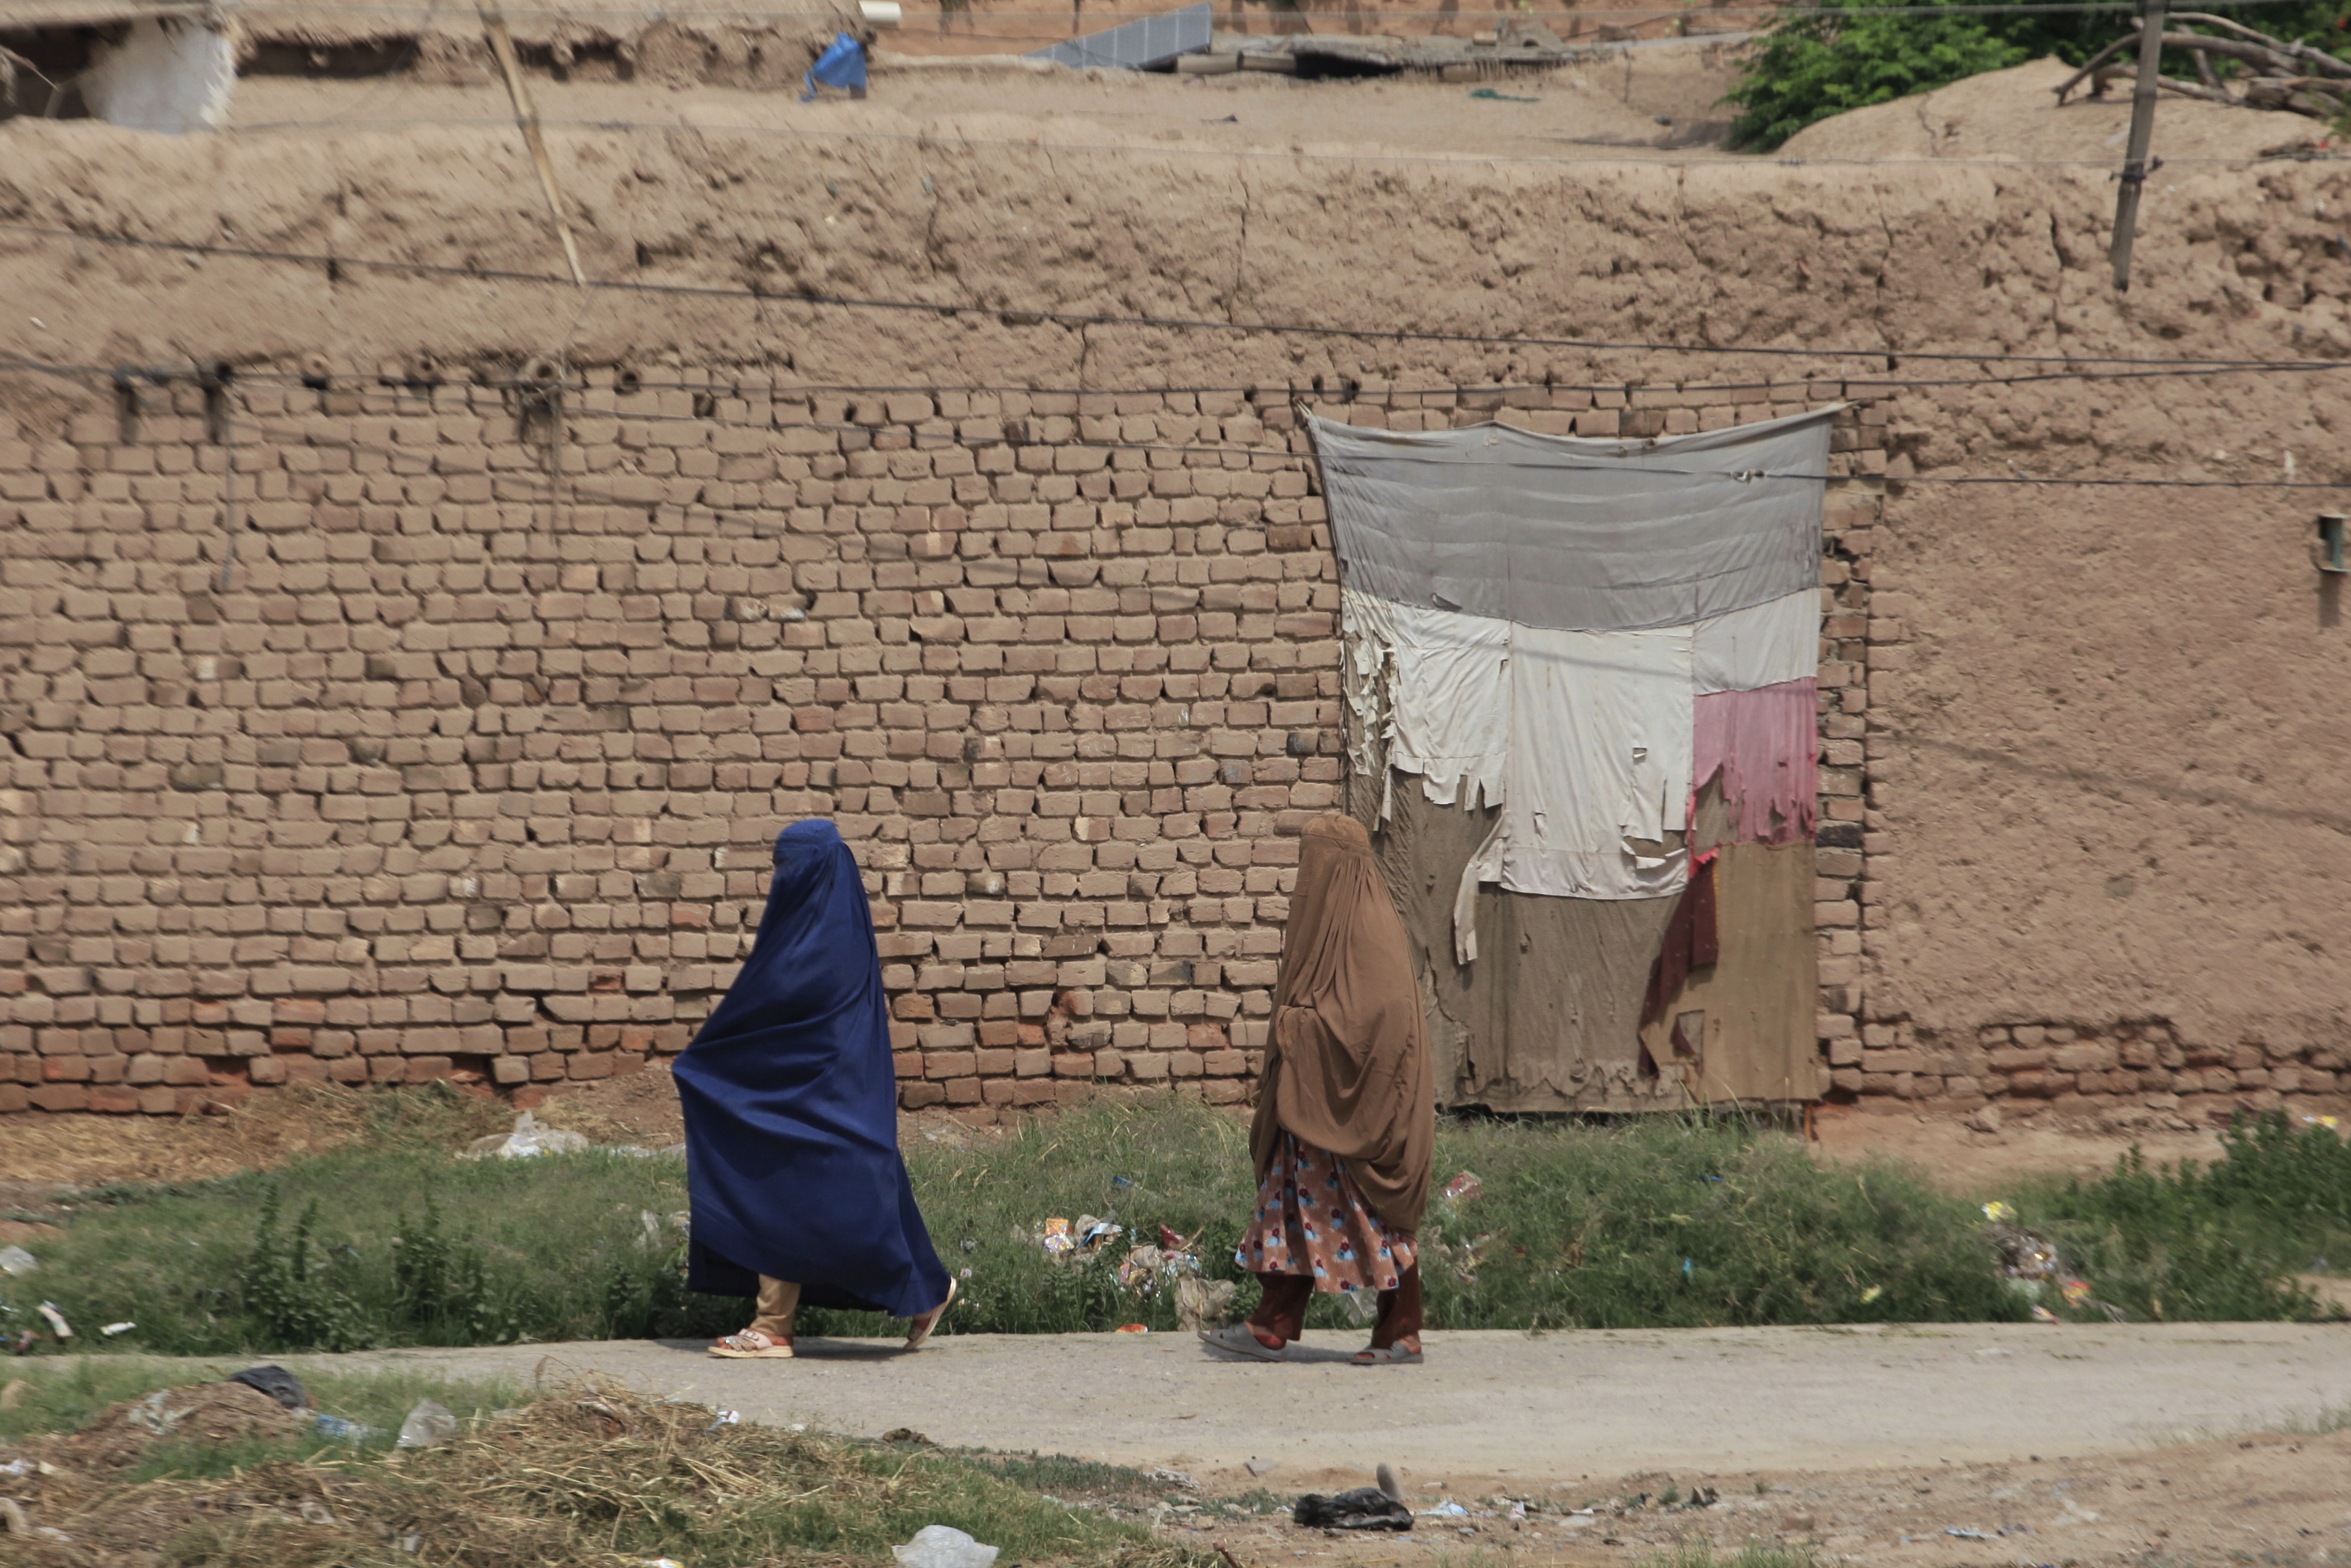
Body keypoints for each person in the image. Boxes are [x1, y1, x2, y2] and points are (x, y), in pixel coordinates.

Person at [673, 818, 954, 1360]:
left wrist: (708, 1064)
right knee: (835, 1176)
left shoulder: (817, 939)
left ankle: (775, 1325)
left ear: (817, 870)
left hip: (818, 1085)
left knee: (798, 1180)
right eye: (778, 867)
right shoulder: (820, 926)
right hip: (825, 1087)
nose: (782, 879)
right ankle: (923, 1286)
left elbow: (778, 1007)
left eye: (790, 867)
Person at [1200, 814, 1435, 1366]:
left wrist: (1295, 1028)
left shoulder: (1369, 935)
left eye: (1317, 864)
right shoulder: (1324, 938)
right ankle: (1271, 1324)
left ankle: (1402, 1331)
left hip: (1358, 1122)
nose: (1309, 880)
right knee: (1292, 1212)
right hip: (1311, 1116)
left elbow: (1374, 1027)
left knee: (1369, 1219)